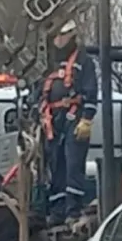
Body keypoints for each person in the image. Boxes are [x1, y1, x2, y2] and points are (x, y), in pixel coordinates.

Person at [38, 20, 98, 225]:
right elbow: (39, 90)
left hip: (74, 117)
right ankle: (57, 211)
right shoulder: (49, 62)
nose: (58, 40)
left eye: (61, 36)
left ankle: (73, 211)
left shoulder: (83, 61)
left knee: (73, 165)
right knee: (56, 166)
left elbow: (91, 93)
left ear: (71, 35)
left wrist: (86, 119)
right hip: (52, 121)